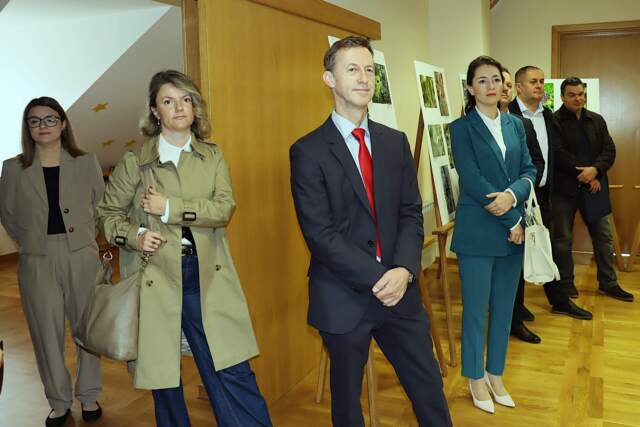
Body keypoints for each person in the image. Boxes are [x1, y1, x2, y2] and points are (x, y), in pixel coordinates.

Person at [290, 36, 451, 427]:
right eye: (352, 69)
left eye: (368, 69)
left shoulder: (394, 143)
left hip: (401, 290)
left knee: (428, 388)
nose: (364, 78)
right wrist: (380, 277)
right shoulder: (308, 151)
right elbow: (320, 234)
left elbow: (410, 213)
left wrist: (404, 270)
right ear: (329, 79)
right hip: (343, 296)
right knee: (347, 405)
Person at [97, 70, 272, 427]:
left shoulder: (212, 156)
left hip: (204, 274)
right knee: (163, 378)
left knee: (230, 366)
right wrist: (135, 236)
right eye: (168, 101)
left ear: (194, 107)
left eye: (185, 99)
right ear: (155, 111)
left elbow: (224, 208)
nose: (179, 107)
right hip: (154, 275)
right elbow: (106, 216)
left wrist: (169, 208)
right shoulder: (135, 162)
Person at [0, 97, 104, 426]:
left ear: (62, 124)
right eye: (34, 121)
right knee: (45, 332)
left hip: (81, 255)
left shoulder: (86, 161)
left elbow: (99, 206)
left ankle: (89, 395)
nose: (42, 126)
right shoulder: (12, 168)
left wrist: (84, 238)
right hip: (37, 259)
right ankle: (58, 401)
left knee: (88, 328)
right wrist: (31, 242)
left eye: (50, 119)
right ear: (27, 128)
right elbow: (8, 214)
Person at [450, 56, 536, 413]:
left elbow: (529, 169)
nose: (490, 86)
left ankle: (495, 374)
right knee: (476, 311)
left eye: (495, 80)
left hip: (513, 234)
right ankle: (474, 376)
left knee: (503, 310)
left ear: (504, 85)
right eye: (481, 81)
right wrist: (512, 220)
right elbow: (472, 180)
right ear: (471, 88)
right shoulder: (461, 128)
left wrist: (513, 197)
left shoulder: (515, 124)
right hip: (479, 233)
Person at [510, 66, 594, 320]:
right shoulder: (507, 115)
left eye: (541, 81)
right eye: (533, 81)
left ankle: (559, 300)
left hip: (545, 195)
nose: (539, 85)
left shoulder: (548, 116)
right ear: (519, 87)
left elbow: (555, 153)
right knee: (515, 253)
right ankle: (516, 309)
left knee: (546, 246)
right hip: (517, 195)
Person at [550, 77, 633, 302]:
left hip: (594, 187)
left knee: (604, 236)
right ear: (562, 97)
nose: (578, 99)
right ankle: (565, 284)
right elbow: (557, 153)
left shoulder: (596, 120)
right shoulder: (554, 121)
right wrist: (585, 174)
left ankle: (608, 283)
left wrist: (595, 170)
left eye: (581, 94)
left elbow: (609, 150)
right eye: (572, 95)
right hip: (564, 190)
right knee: (562, 239)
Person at [499, 68, 544, 344]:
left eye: (506, 83)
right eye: (499, 82)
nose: (503, 88)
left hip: (518, 205)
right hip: (489, 208)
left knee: (515, 267)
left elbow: (536, 162)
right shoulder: (471, 124)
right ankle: (501, 317)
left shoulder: (521, 124)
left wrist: (519, 190)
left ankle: (515, 319)